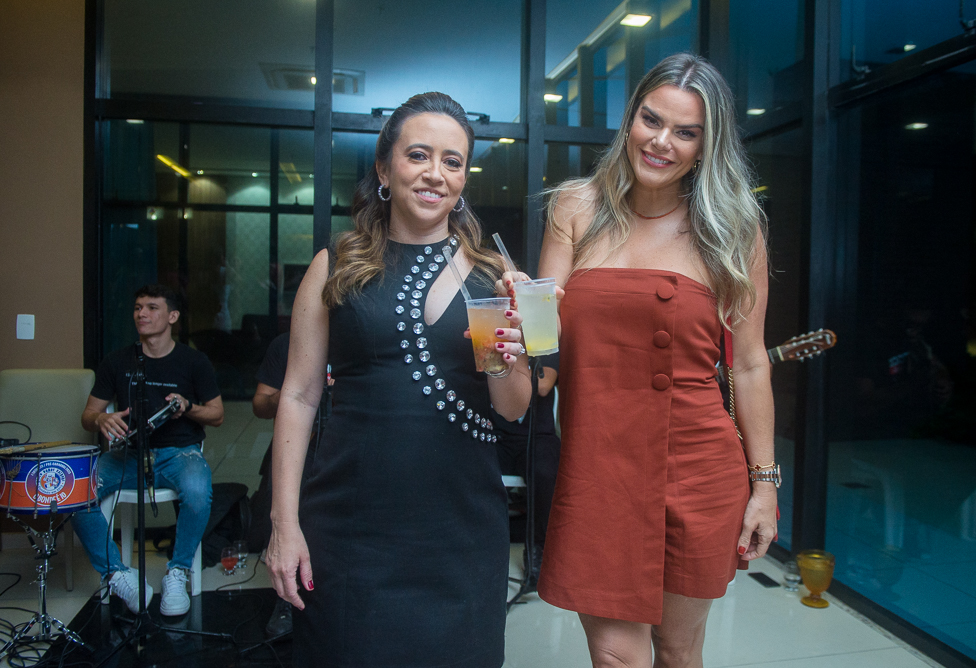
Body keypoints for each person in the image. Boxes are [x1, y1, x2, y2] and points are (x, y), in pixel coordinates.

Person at [264, 92, 533, 667]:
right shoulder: (334, 266)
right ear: (385, 170)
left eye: (453, 161)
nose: (436, 173)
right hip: (351, 529)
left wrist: (510, 356)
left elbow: (513, 409)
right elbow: (299, 395)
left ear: (464, 178)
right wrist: (284, 524)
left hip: (460, 531)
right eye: (418, 155)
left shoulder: (495, 276)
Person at [533, 53, 778, 667]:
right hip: (599, 467)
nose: (662, 142)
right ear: (630, 118)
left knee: (677, 650)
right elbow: (542, 348)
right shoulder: (574, 208)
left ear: (705, 146)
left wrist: (765, 486)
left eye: (685, 132)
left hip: (698, 467)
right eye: (651, 119)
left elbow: (749, 364)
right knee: (616, 656)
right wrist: (513, 334)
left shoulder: (732, 229)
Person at [73, 285, 224, 618]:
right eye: (138, 307)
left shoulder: (193, 361)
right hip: (128, 454)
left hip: (179, 452)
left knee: (198, 493)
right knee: (76, 492)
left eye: (152, 307)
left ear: (172, 316)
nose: (142, 313)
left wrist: (188, 407)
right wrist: (101, 418)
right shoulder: (117, 361)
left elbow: (217, 415)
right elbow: (87, 416)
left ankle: (177, 572)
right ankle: (118, 575)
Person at [249, 331, 332, 637]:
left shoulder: (362, 331)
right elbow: (260, 405)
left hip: (346, 446)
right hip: (301, 447)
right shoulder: (286, 343)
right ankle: (286, 599)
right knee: (289, 515)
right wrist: (293, 391)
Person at [489, 352, 560, 589]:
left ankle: (537, 549)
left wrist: (508, 367)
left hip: (537, 436)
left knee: (545, 472)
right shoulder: (494, 341)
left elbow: (544, 385)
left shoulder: (546, 345)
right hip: (497, 434)